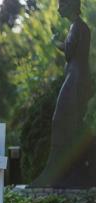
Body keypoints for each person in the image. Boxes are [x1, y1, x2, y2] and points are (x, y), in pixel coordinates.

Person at [32, 0, 94, 188]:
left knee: (61, 119)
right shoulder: (79, 27)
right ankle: (71, 170)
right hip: (76, 76)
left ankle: (63, 171)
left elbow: (69, 52)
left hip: (76, 79)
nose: (59, 9)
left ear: (71, 6)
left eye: (62, 5)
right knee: (70, 122)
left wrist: (55, 41)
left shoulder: (78, 27)